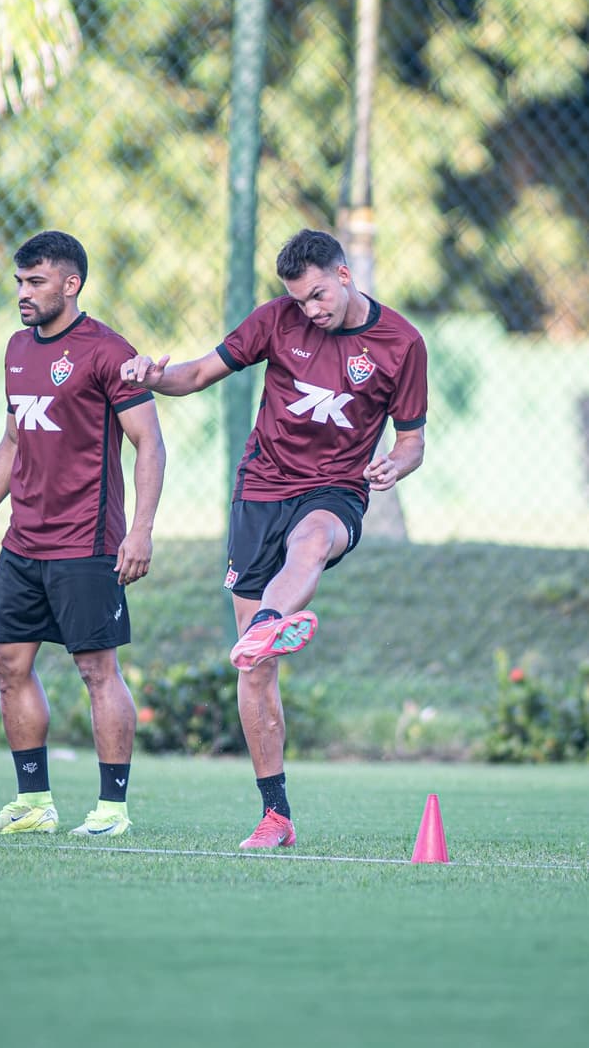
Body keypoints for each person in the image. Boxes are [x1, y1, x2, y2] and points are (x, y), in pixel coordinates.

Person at [121, 229, 427, 849]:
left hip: (337, 491)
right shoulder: (276, 320)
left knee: (311, 541)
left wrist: (395, 464)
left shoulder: (402, 343)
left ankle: (267, 621)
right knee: (256, 670)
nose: (309, 310)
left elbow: (413, 440)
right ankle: (276, 816)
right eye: (299, 299)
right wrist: (152, 376)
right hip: (261, 490)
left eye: (318, 295)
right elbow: (197, 373)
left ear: (344, 275)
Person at [0, 230, 165, 838]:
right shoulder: (17, 348)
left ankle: (112, 810)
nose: (23, 292)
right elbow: (13, 440)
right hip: (24, 542)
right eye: (20, 281)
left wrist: (140, 530)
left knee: (97, 670)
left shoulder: (107, 351)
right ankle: (33, 803)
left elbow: (149, 442)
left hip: (87, 542)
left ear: (71, 285)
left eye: (36, 282)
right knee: (7, 661)